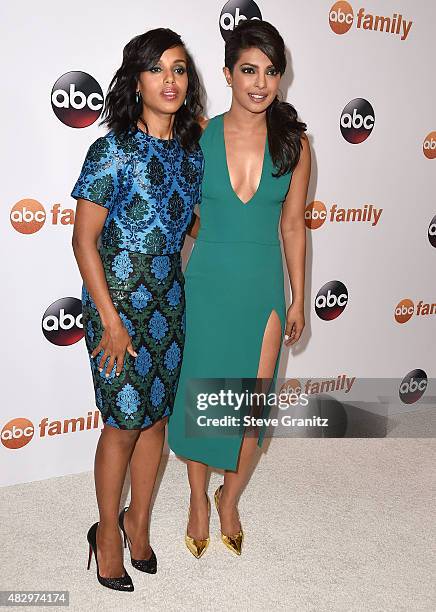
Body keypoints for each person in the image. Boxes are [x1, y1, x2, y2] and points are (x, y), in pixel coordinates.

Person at [167, 20, 310, 558]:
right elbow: (182, 216)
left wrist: (298, 296)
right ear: (227, 74)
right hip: (207, 283)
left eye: (271, 72)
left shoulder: (296, 144)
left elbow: (293, 225)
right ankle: (198, 498)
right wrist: (215, 239)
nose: (260, 83)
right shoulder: (198, 136)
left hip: (262, 287)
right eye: (249, 70)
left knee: (252, 403)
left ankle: (230, 499)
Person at [71, 28, 203, 590]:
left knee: (156, 421)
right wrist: (111, 321)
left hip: (170, 303)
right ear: (136, 80)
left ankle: (138, 523)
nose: (170, 80)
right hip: (115, 307)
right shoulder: (111, 149)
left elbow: (196, 225)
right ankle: (106, 535)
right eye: (157, 69)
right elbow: (83, 241)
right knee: (124, 424)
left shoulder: (192, 150)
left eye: (178, 69)